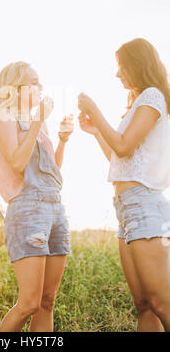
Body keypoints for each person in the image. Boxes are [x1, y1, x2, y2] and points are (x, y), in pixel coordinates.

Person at [78, 38, 170, 332]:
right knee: (143, 306)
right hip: (126, 208)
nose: (117, 74)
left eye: (121, 67)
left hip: (143, 204)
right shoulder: (138, 103)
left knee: (161, 303)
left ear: (137, 64)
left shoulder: (153, 96)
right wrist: (96, 132)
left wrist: (95, 109)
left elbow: (124, 146)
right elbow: (119, 159)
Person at [0, 61, 73, 332]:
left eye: (40, 82)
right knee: (29, 304)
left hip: (54, 208)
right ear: (16, 88)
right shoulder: (5, 116)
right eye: (33, 83)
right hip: (27, 209)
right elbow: (17, 162)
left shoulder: (40, 122)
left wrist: (62, 139)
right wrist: (37, 121)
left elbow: (52, 171)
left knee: (47, 302)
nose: (40, 88)